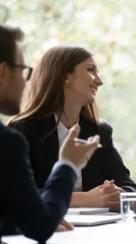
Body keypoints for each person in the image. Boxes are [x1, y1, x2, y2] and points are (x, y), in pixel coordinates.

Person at [9, 46, 136, 211]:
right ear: (65, 76)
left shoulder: (100, 132)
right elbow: (14, 195)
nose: (99, 81)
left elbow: (133, 190)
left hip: (94, 231)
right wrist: (84, 199)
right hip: (48, 230)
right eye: (91, 70)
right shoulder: (22, 131)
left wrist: (115, 194)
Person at [0, 24, 100, 242]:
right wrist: (68, 165)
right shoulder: (10, 141)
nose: (26, 80)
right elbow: (40, 225)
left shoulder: (98, 130)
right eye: (22, 69)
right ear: (3, 72)